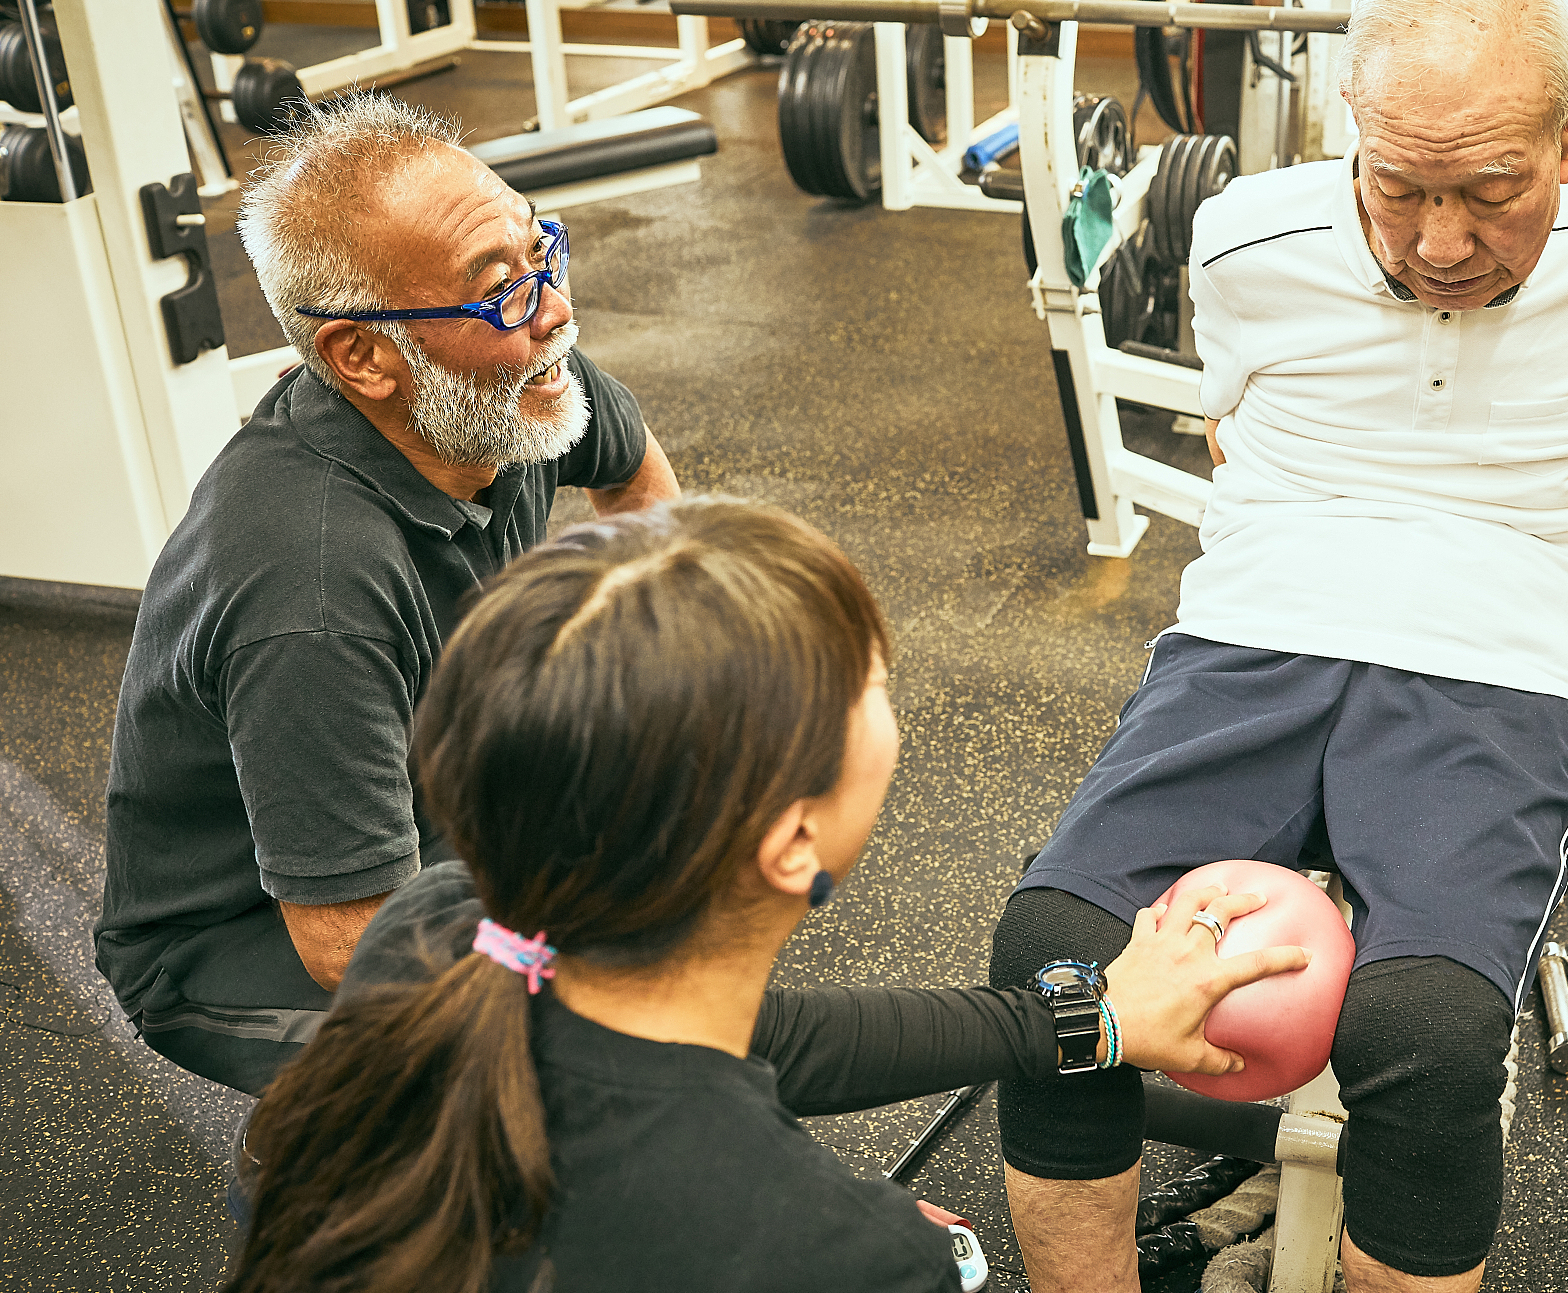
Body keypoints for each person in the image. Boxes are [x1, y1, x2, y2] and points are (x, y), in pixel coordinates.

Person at [992, 0, 1568, 1293]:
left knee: (1432, 1033)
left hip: (1498, 662)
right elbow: (1234, 423)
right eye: (1398, 189)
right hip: (1257, 632)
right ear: (1348, 122)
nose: (1441, 244)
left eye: (1494, 192)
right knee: (1055, 955)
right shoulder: (1243, 237)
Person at [221, 495, 1307, 1293]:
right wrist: (916, 1260)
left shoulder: (448, 926)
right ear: (793, 840)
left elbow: (769, 1040)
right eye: (872, 684)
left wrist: (1086, 1022)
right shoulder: (835, 1254)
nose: (890, 692)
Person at [94, 91, 684, 1095]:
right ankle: (352, 1179)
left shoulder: (510, 383)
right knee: (579, 1056)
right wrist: (590, 988)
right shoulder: (310, 585)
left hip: (428, 805)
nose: (551, 311)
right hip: (241, 943)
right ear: (363, 356)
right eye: (496, 288)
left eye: (542, 253)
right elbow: (350, 940)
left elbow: (634, 476)